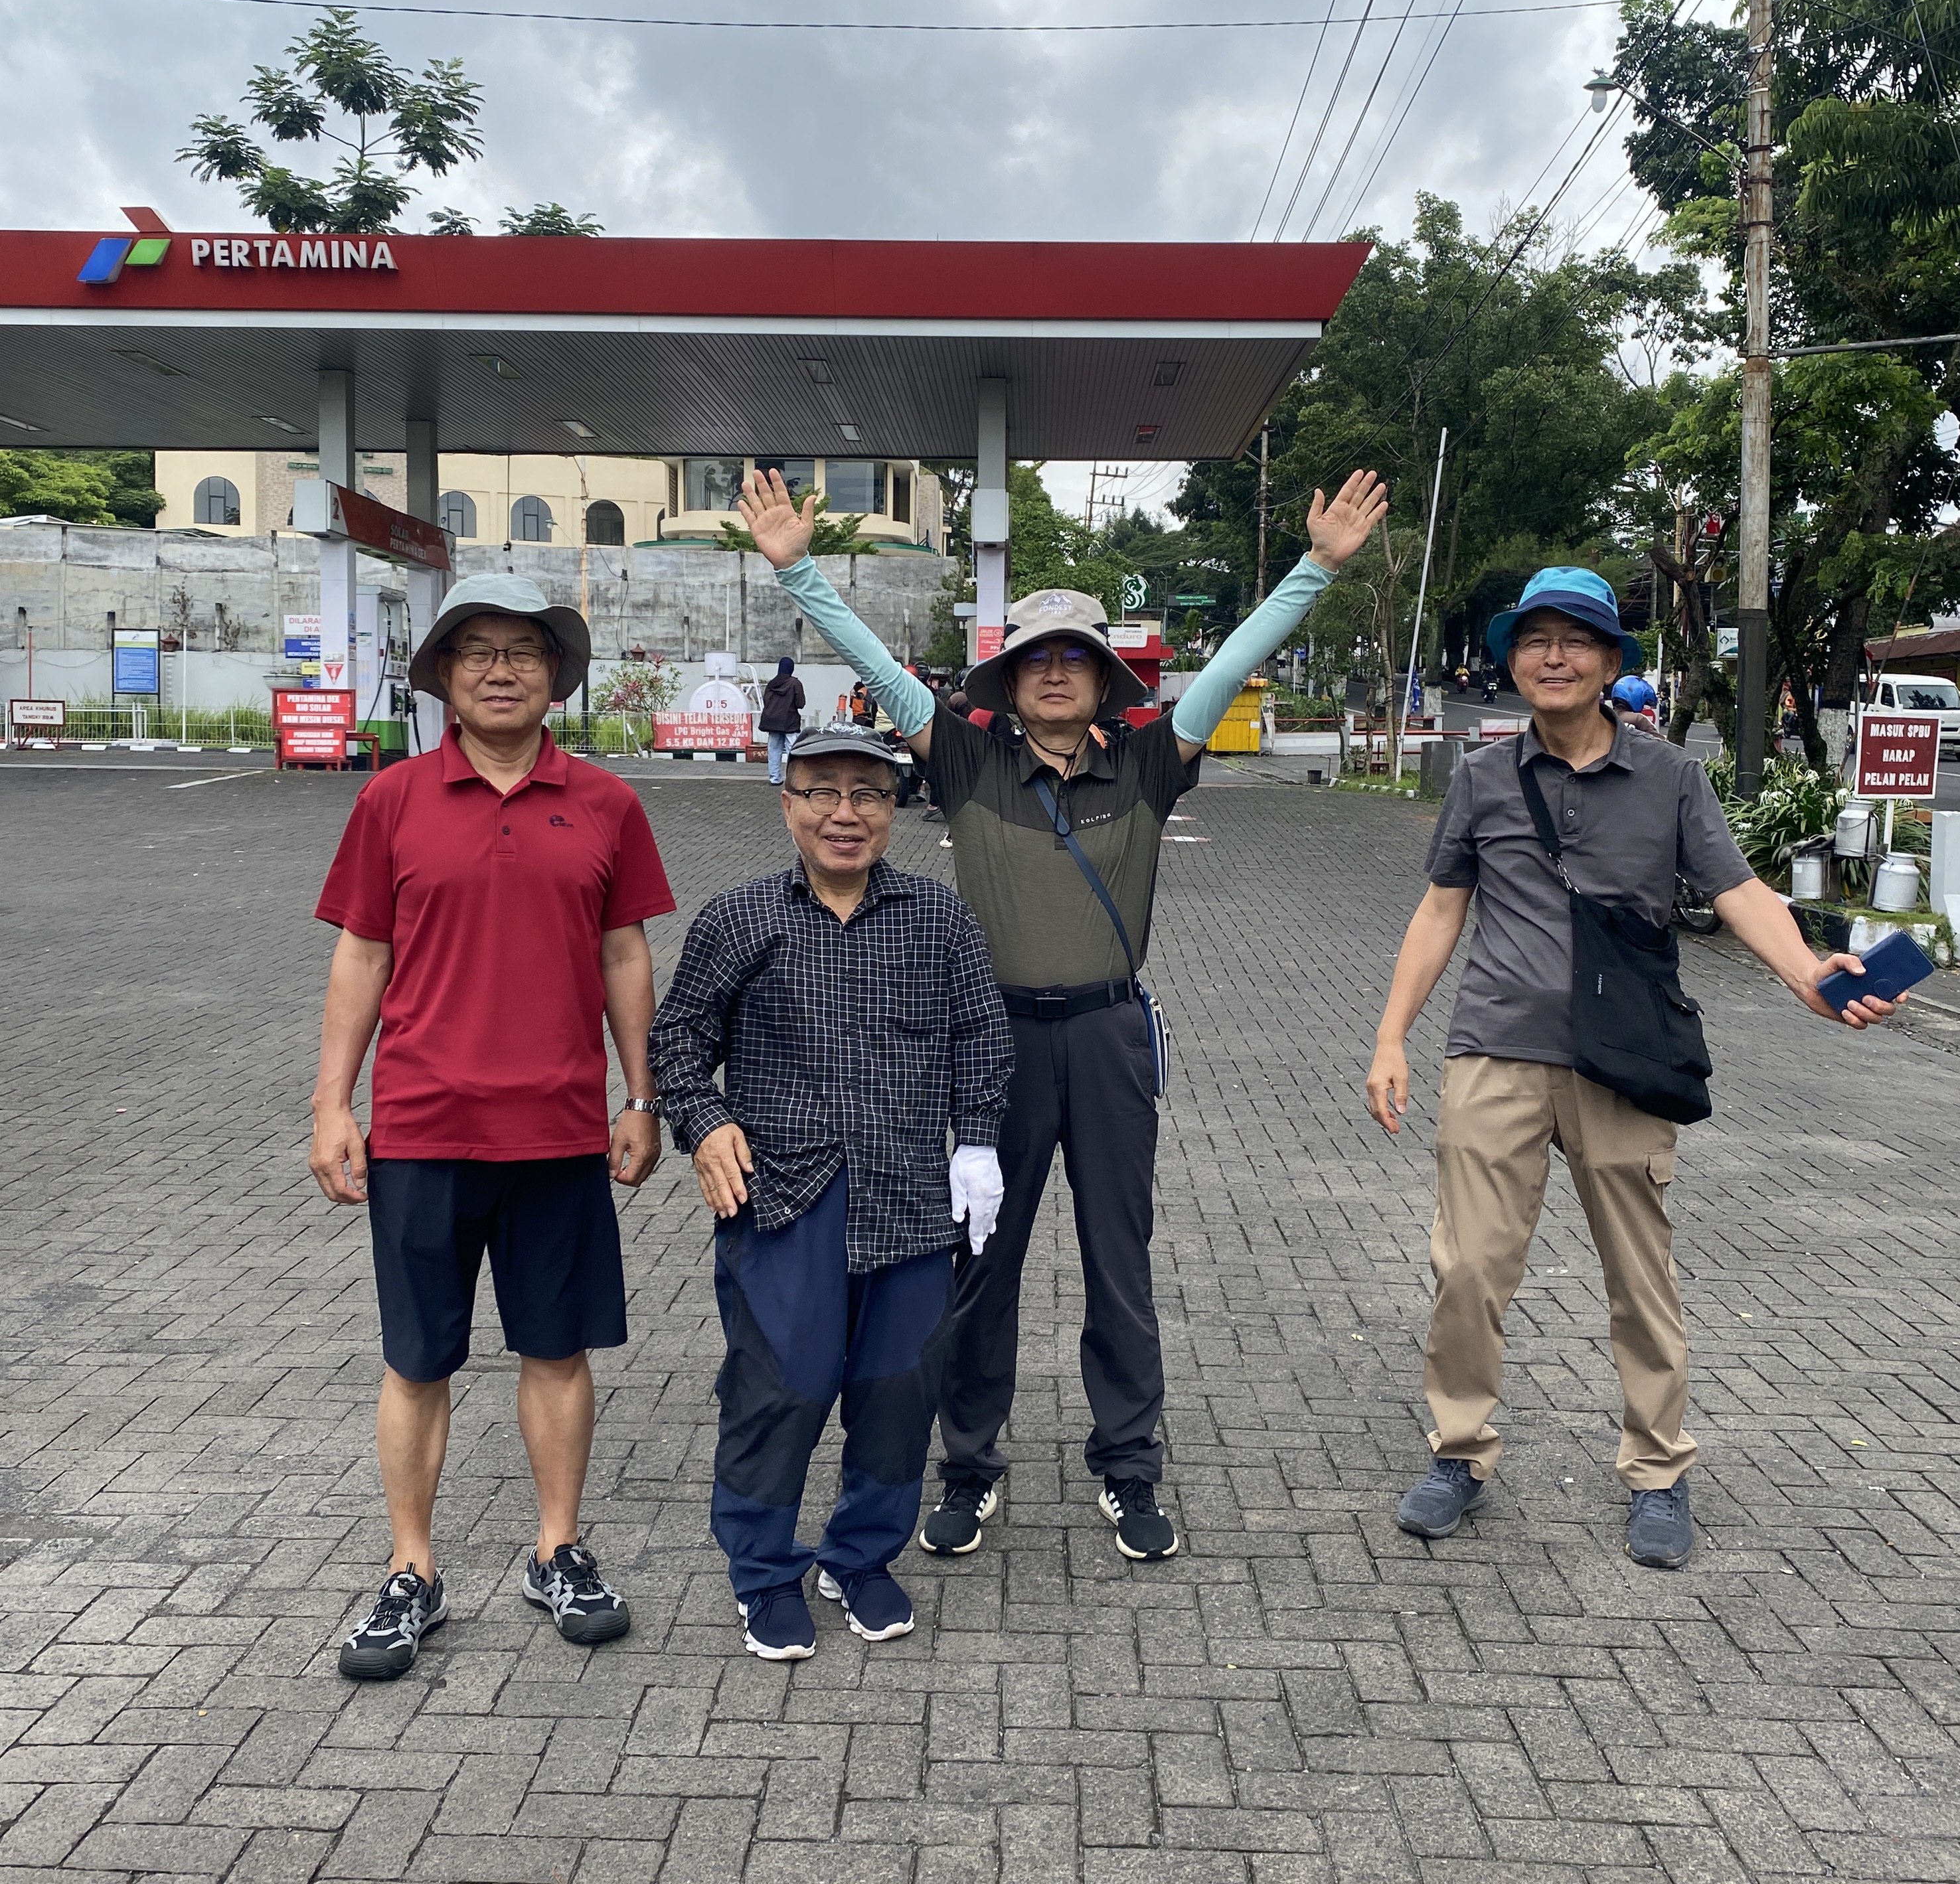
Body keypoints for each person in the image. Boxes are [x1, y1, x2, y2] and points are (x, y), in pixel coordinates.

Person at [740, 465, 1390, 1561]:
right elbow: (876, 666)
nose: (1054, 673)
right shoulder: (964, 759)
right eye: (1036, 658)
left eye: (1074, 659)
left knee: (1118, 1258)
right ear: (1009, 679)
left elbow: (1232, 664)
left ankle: (1128, 1465)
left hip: (1106, 1037)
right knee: (980, 1260)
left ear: (1101, 679)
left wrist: (1316, 569)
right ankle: (968, 1465)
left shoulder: (1148, 765)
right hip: (989, 1041)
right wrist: (799, 572)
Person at [1362, 566, 1901, 1571]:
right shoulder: (1484, 777)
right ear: (1513, 661)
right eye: (1535, 641)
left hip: (1624, 1057)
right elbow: (1441, 909)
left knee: (1638, 1272)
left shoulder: (1670, 778)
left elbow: (1737, 890)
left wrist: (1807, 976)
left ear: (1611, 663)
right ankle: (1460, 1451)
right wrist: (1393, 1037)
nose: (1553, 658)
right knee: (1468, 1266)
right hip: (1496, 1047)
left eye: (1576, 641)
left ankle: (1658, 1469)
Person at [310, 573, 677, 1680]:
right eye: (476, 651)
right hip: (422, 1127)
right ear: (443, 675)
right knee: (416, 1358)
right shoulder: (393, 800)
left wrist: (642, 1094)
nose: (500, 669)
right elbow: (362, 954)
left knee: (557, 1350)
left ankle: (557, 1549)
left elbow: (624, 953)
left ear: (556, 676)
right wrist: (332, 1102)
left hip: (559, 1131)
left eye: (524, 651)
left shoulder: (606, 803)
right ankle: (411, 1570)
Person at [650, 729, 1012, 1660]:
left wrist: (977, 1139)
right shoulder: (740, 919)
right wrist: (705, 1122)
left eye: (867, 794)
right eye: (822, 792)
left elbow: (983, 1033)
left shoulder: (939, 918)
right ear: (788, 804)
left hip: (911, 1200)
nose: (844, 814)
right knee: (781, 1387)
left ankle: (860, 1557)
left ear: (894, 810)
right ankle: (765, 1570)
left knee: (899, 1391)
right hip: (784, 1199)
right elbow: (679, 1038)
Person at [758, 656, 807, 786]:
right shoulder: (795, 683)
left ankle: (775, 778)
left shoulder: (772, 684)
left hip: (772, 722)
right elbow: (800, 704)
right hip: (790, 722)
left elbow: (766, 701)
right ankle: (793, 779)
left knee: (774, 750)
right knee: (793, 750)